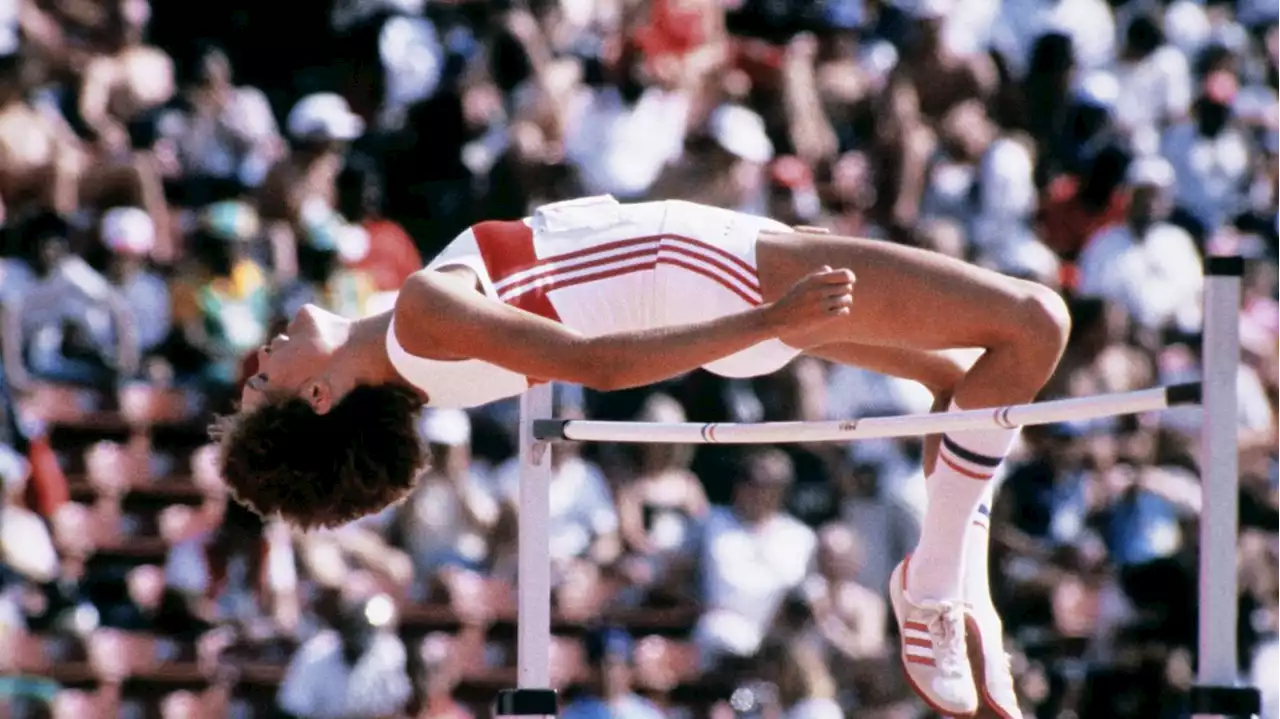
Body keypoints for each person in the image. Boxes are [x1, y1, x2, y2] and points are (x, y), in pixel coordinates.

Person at [215, 194, 1071, 718]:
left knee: (967, 385)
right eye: (263, 384)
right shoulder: (420, 321)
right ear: (319, 397)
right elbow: (598, 364)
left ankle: (962, 588)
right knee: (1036, 323)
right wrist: (772, 320)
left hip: (722, 268)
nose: (262, 356)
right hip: (726, 277)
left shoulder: (420, 363)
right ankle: (933, 583)